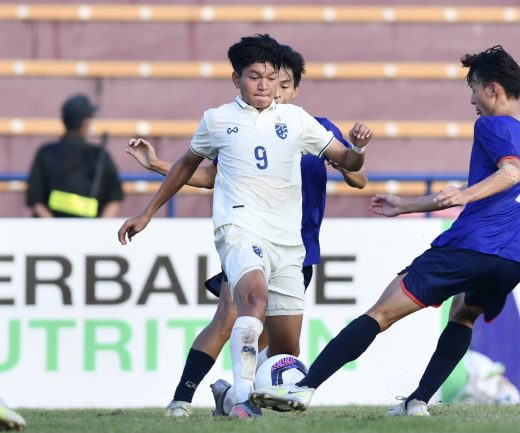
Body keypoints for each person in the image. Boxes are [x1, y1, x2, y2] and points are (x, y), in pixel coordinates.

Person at [250, 45, 520, 417]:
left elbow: (510, 173)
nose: (472, 100)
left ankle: (303, 389)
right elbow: (513, 178)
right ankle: (416, 402)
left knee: (380, 314)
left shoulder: (490, 124)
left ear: (493, 89)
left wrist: (462, 195)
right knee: (463, 316)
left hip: (472, 246)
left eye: (474, 89)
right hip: (513, 259)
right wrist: (406, 206)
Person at [117, 34, 373, 419]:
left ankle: (230, 396)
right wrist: (148, 210)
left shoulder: (301, 122)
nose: (267, 86)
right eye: (257, 77)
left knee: (286, 350)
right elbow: (193, 168)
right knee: (246, 304)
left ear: (292, 86)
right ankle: (231, 399)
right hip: (239, 228)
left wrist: (357, 148)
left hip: (291, 241)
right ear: (237, 78)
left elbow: (354, 170)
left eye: (275, 79)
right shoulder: (218, 119)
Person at [26, 94, 124, 218]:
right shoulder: (99, 155)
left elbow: (35, 199)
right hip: (89, 234)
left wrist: (53, 228)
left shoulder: (45, 153)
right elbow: (114, 198)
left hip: (51, 234)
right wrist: (99, 231)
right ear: (86, 123)